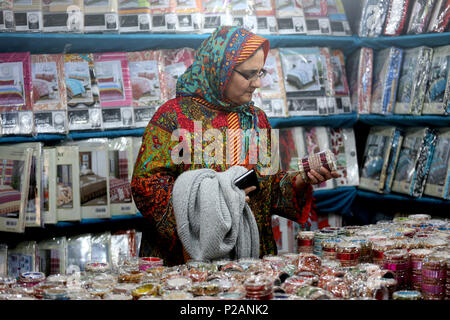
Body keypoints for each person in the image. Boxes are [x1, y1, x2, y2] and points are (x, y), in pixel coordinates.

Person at [131, 26, 339, 266]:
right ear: (222, 69)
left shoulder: (256, 119)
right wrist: (218, 201)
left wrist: (301, 180)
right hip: (189, 263)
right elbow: (146, 188)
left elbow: (269, 187)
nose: (258, 83)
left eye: (261, 72)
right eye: (249, 74)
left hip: (247, 257)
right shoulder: (173, 117)